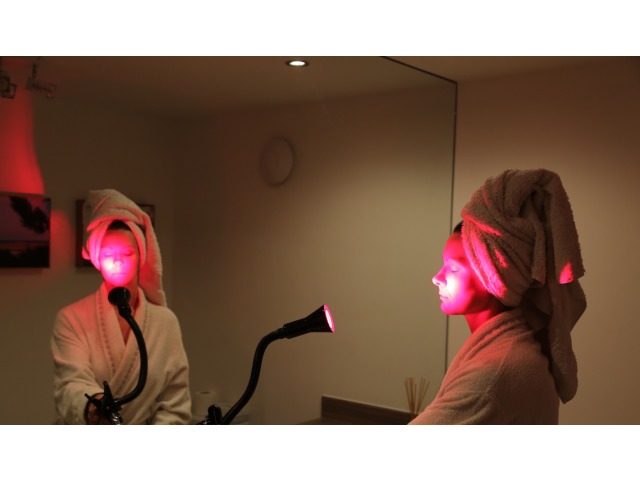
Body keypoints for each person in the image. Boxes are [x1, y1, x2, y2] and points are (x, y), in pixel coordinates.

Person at [410, 169, 586, 424]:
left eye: (454, 268)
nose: (437, 277)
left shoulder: (491, 381)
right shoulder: (513, 351)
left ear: (494, 276)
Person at [51, 189, 191, 424]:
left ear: (140, 258)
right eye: (108, 254)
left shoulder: (165, 323)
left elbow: (175, 402)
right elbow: (71, 384)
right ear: (97, 259)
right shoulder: (71, 319)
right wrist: (96, 406)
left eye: (127, 253)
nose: (117, 261)